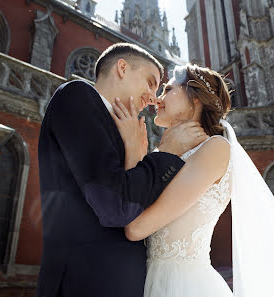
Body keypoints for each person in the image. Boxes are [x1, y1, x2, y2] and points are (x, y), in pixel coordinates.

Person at [111, 64, 274, 297]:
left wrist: (145, 152)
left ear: (196, 99)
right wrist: (139, 152)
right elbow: (128, 208)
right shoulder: (164, 152)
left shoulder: (216, 149)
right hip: (143, 281)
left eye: (168, 90)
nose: (157, 99)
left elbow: (135, 227)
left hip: (183, 286)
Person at [37, 43, 208, 297]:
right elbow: (115, 207)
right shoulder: (77, 95)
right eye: (150, 82)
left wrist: (135, 154)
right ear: (122, 68)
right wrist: (166, 155)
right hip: (85, 283)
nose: (153, 98)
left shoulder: (118, 126)